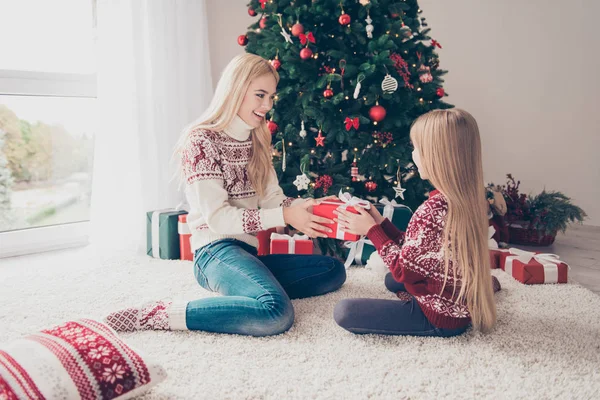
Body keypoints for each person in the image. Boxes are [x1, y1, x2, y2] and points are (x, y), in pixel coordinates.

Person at [105, 53, 346, 336]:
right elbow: (219, 220)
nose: (267, 105)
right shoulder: (201, 141)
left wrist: (308, 206)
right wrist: (283, 215)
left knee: (332, 270)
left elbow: (272, 199)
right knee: (275, 314)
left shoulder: (258, 139)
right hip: (214, 252)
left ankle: (247, 290)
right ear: (235, 89)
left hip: (248, 253)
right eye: (260, 95)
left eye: (271, 97)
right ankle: (159, 314)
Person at [333, 109, 501, 337]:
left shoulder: (431, 211)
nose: (413, 156)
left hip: (439, 317)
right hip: (457, 299)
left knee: (345, 311)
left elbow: (405, 271)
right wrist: (381, 223)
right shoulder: (465, 201)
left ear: (437, 156)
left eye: (416, 149)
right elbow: (421, 253)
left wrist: (371, 231)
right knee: (391, 281)